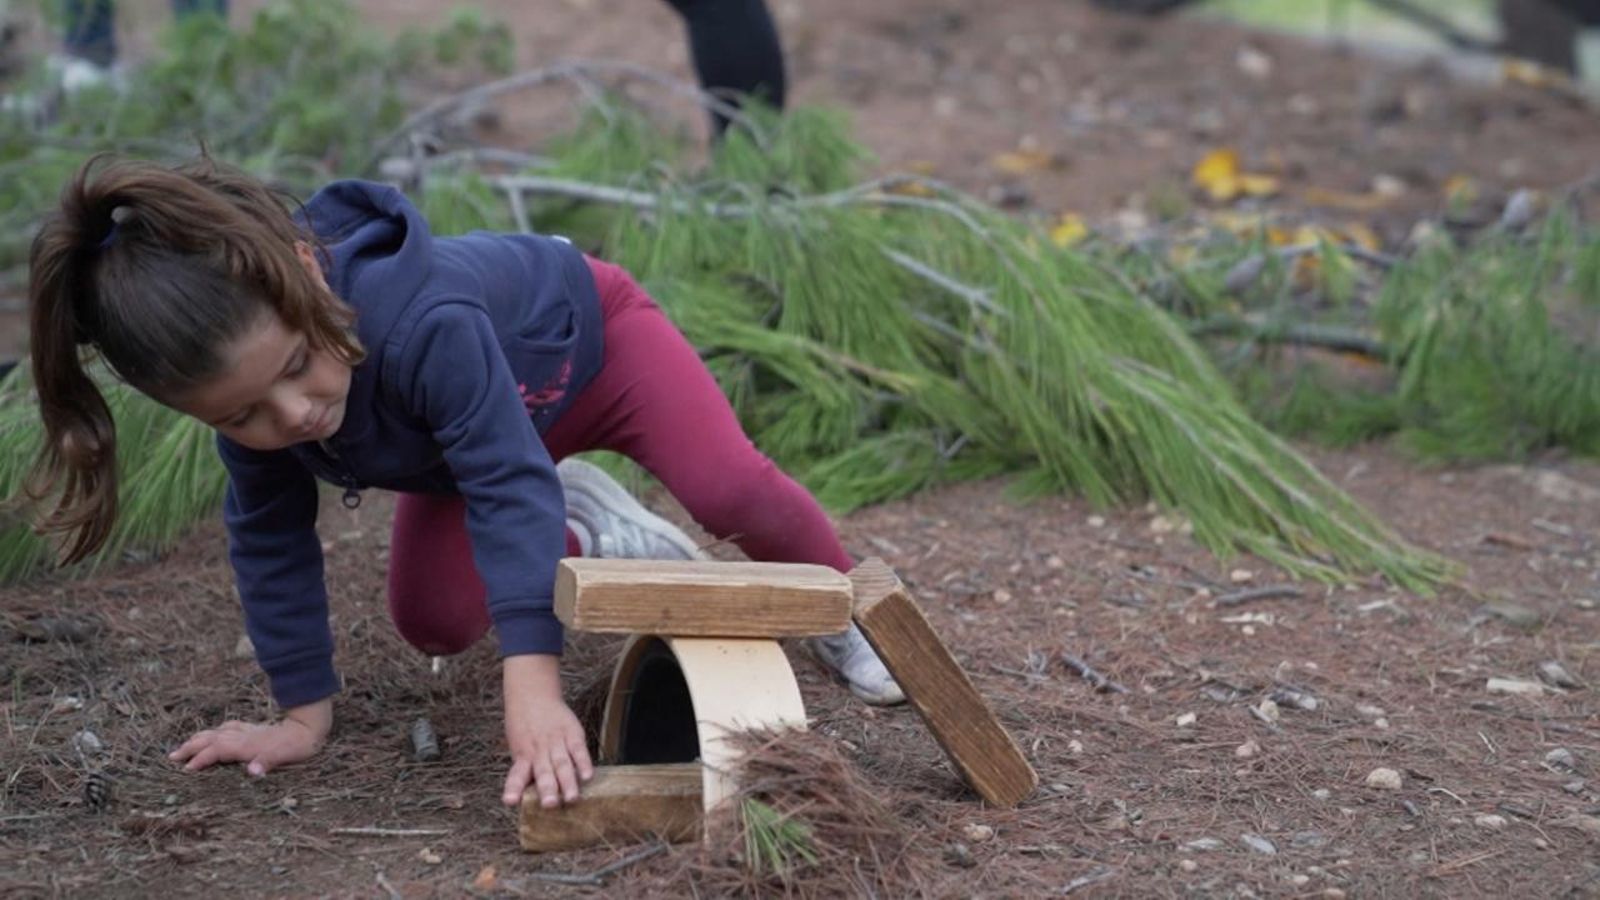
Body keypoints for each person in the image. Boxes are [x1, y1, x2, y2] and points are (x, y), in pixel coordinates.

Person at [21, 154, 902, 813]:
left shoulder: (424, 320)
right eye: (244, 414)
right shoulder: (264, 412)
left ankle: (849, 606)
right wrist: (300, 714)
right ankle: (588, 531)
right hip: (468, 442)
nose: (290, 417)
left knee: (729, 490)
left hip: (594, 354)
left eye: (297, 366)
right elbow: (269, 540)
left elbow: (506, 482)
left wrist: (534, 680)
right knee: (434, 619)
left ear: (307, 267)